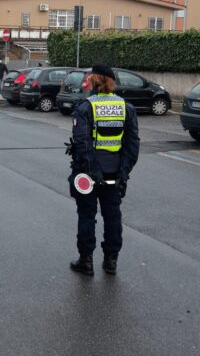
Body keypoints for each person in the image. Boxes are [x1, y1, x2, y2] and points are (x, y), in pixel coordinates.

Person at [66, 63, 139, 276]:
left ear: (94, 80)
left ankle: (86, 260)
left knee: (87, 215)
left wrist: (91, 171)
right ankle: (111, 261)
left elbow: (83, 144)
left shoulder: (86, 107)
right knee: (113, 215)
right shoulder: (126, 108)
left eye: (88, 77)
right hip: (114, 174)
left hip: (89, 175)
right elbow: (132, 145)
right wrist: (123, 172)